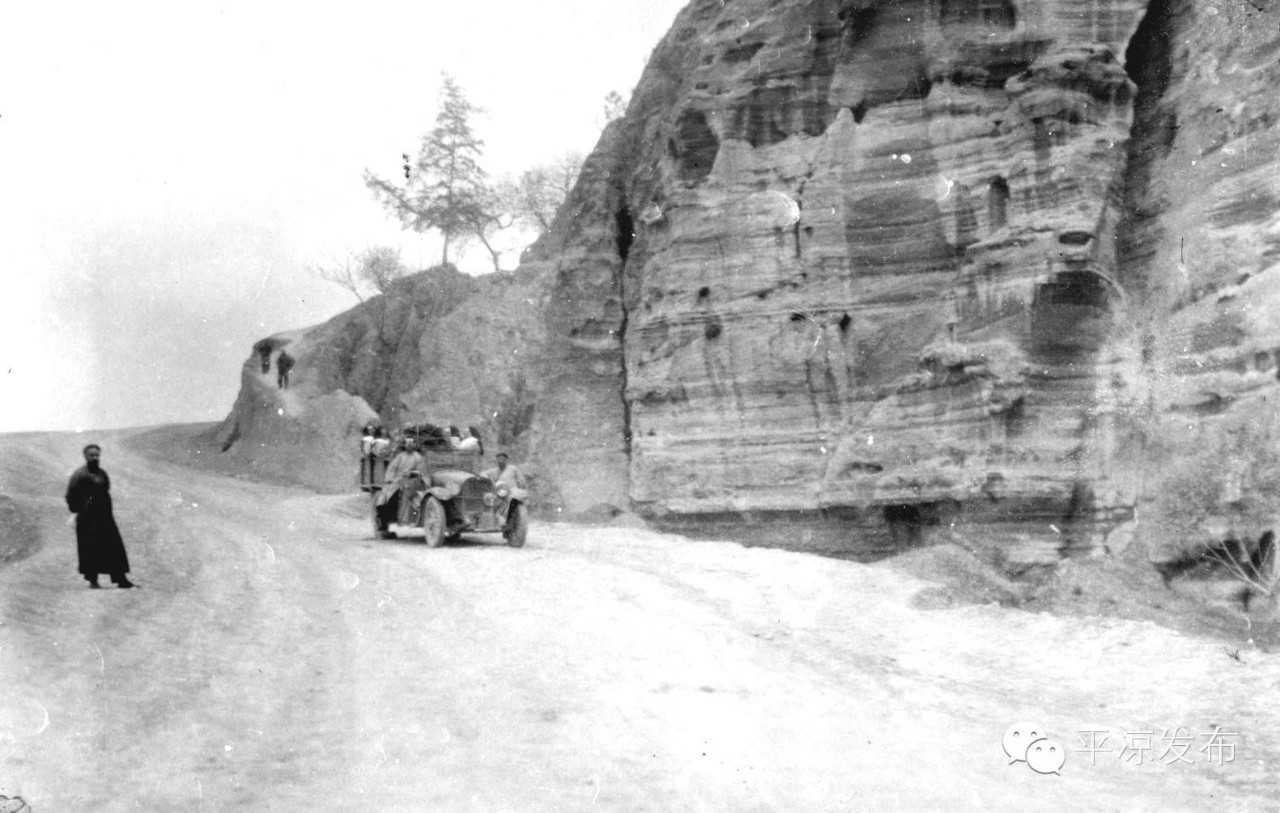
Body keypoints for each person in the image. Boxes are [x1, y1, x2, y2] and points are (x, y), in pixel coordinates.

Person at [65, 444, 134, 589]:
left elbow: (106, 488)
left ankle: (121, 579)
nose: (95, 458)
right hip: (87, 518)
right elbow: (71, 495)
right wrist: (80, 510)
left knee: (114, 547)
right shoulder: (79, 475)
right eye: (91, 455)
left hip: (105, 516)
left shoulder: (102, 473)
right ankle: (93, 581)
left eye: (97, 455)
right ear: (85, 456)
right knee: (89, 548)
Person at [375, 436, 425, 529]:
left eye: (411, 443)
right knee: (388, 498)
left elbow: (420, 471)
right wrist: (389, 480)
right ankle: (384, 522)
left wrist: (411, 473)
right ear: (405, 445)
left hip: (413, 482)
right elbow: (392, 468)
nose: (409, 445)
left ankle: (407, 519)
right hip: (398, 481)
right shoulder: (400, 456)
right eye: (407, 443)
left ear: (414, 445)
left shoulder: (418, 457)